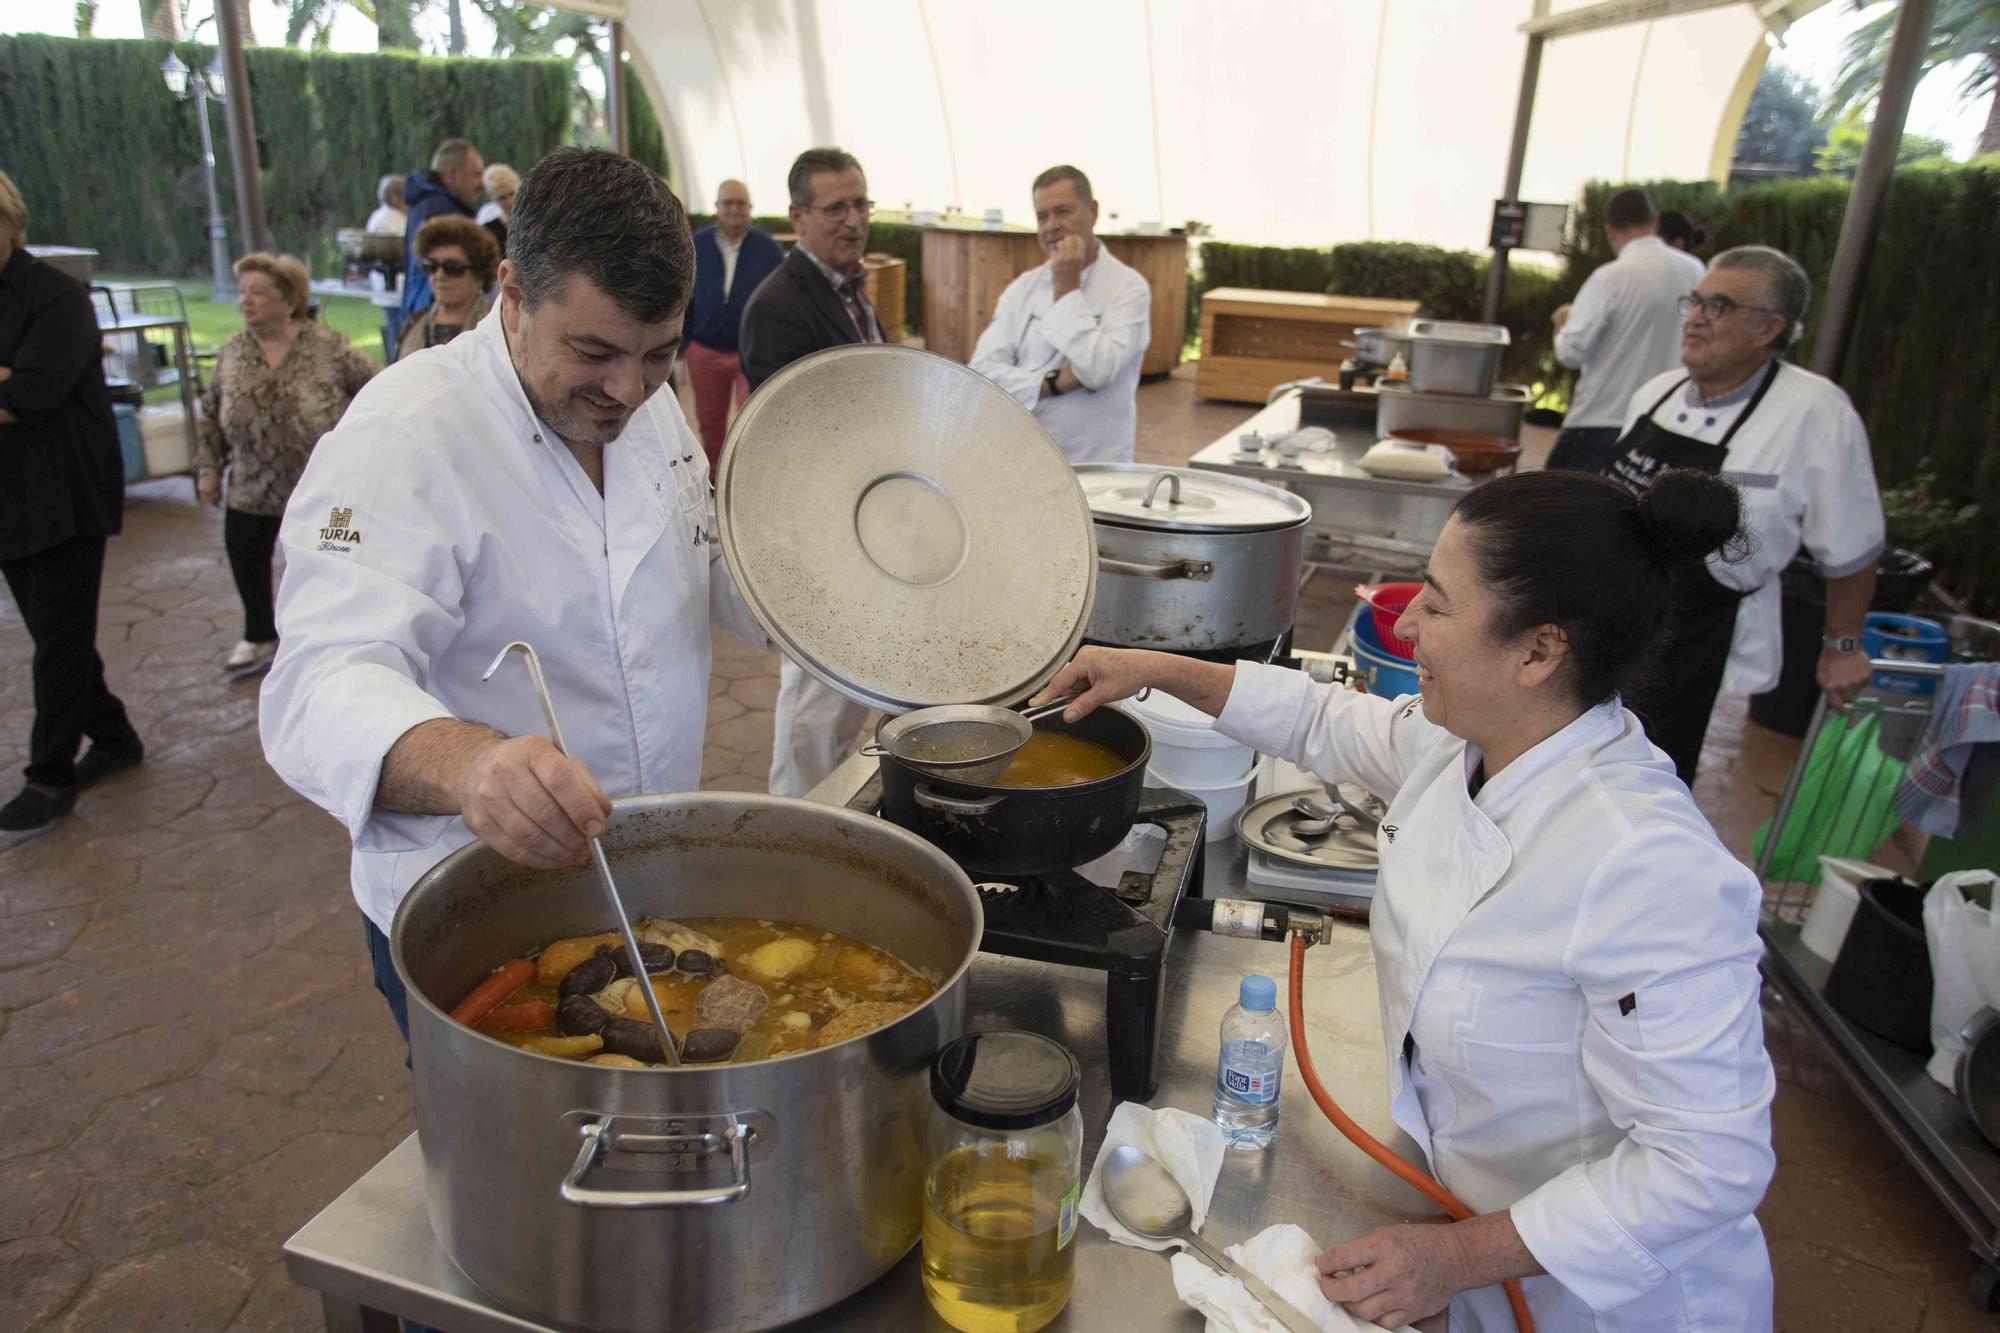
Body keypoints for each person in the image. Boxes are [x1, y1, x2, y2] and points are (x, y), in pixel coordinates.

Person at [1042, 467, 1777, 1332]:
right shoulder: (1472, 742)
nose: (1404, 625)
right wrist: (1150, 668)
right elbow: (1322, 721)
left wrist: (1464, 1255)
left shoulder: (1646, 864)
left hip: (1605, 1296)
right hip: (1461, 1227)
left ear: (1540, 651)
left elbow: (1710, 1163)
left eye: (1435, 604)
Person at [261, 147, 765, 1044]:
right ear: (514, 294)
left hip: (643, 885)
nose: (625, 388)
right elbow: (320, 680)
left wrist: (841, 599)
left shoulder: (647, 405)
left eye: (657, 354)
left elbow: (705, 557)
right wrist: (469, 766)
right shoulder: (405, 435)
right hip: (479, 909)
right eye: (595, 351)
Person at [1611, 245, 1884, 783]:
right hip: (1616, 624)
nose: (1696, 317)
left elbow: (1853, 548)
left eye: (1719, 305)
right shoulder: (1655, 394)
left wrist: (1843, 648)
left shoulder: (1816, 414)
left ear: (1769, 328)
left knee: (1660, 783)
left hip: (1707, 645)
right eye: (1695, 301)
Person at [0, 169, 144, 833]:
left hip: (63, 497)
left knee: (57, 638)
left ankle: (48, 774)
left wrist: (14, 385)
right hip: (11, 496)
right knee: (54, 633)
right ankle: (114, 737)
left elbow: (31, 393)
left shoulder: (55, 296)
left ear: (11, 219)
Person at [740, 147, 886, 797]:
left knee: (853, 694)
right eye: (836, 207)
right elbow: (788, 438)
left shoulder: (849, 287)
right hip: (823, 539)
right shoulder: (779, 304)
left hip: (867, 528)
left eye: (861, 203)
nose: (853, 220)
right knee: (814, 717)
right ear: (798, 216)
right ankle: (793, 833)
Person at [195, 253, 377, 674]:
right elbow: (209, 412)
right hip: (251, 483)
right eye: (243, 292)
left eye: (259, 292)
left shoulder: (326, 347)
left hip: (321, 485)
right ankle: (258, 636)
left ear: (289, 299)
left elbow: (380, 389)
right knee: (247, 560)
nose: (247, 301)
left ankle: (331, 645)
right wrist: (208, 468)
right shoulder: (234, 350)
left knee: (329, 567)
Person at [969, 165, 1151, 464]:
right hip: (1025, 465)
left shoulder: (1129, 288)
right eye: (1042, 216)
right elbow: (981, 376)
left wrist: (1067, 289)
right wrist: (1053, 382)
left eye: (1063, 212)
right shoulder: (1022, 289)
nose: (1051, 226)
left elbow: (1097, 370)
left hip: (1095, 468)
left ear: (1092, 211)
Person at [1545, 188, 1705, 475]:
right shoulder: (1695, 271)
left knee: (1551, 511)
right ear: (1654, 220)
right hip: (1668, 423)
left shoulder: (1609, 278)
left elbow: (1571, 353)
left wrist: (1562, 324)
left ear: (1608, 228)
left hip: (1601, 420)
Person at [682, 179, 783, 469]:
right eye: (727, 203)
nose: (734, 210)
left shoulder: (768, 249)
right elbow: (683, 296)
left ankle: (744, 480)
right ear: (717, 207)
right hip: (704, 351)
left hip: (749, 354)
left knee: (750, 423)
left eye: (740, 203)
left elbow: (779, 303)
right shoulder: (697, 244)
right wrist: (685, 344)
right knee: (710, 423)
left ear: (750, 208)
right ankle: (714, 479)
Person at [398, 137, 484, 325]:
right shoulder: (442, 212)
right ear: (453, 175)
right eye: (476, 175)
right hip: (436, 319)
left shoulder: (423, 204)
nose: (481, 183)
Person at [395, 215, 498, 360]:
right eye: (431, 266)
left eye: (453, 267)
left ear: (480, 273)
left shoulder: (499, 325)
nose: (439, 275)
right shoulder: (413, 323)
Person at [476, 162, 518, 256]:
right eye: (502, 198)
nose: (510, 202)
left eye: (512, 194)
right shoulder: (488, 230)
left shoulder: (534, 219)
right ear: (493, 199)